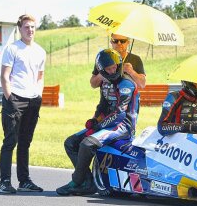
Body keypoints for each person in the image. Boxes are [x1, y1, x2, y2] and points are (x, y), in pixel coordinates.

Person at [56, 48, 139, 196]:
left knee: (87, 144)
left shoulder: (126, 84)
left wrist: (97, 127)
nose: (113, 71)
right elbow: (103, 106)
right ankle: (87, 182)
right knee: (70, 142)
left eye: (115, 66)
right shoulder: (105, 83)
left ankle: (76, 182)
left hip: (123, 126)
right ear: (102, 70)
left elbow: (119, 114)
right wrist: (95, 119)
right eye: (108, 68)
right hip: (106, 124)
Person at [0, 14, 46, 193]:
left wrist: (38, 95)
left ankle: (24, 180)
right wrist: (10, 99)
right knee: (10, 141)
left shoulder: (40, 51)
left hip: (33, 100)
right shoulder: (12, 49)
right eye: (27, 27)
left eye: (33, 27)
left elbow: (40, 77)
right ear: (20, 29)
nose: (30, 30)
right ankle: (4, 182)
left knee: (25, 142)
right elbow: (4, 76)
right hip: (15, 98)